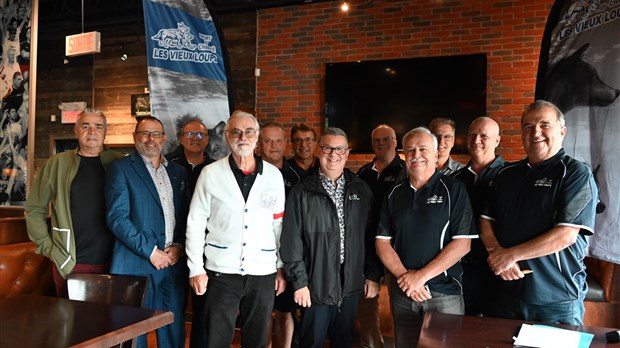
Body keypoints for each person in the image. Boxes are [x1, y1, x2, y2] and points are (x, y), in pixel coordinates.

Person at [480, 100, 598, 325]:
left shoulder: (576, 174)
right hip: (506, 294)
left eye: (545, 125)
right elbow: (486, 220)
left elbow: (566, 235)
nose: (536, 132)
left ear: (562, 131)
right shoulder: (506, 174)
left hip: (556, 299)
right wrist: (497, 254)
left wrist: (511, 255)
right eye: (528, 126)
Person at [185, 110, 286, 348]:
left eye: (249, 131)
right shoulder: (210, 173)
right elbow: (195, 222)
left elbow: (278, 225)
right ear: (227, 136)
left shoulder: (273, 176)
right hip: (220, 272)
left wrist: (280, 267)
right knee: (216, 339)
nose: (243, 136)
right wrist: (195, 269)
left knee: (257, 339)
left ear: (257, 136)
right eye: (236, 132)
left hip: (262, 272)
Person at [281, 127, 382, 348]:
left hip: (351, 285)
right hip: (315, 287)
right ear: (318, 151)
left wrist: (373, 275)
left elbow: (372, 236)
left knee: (345, 342)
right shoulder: (301, 191)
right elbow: (291, 241)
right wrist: (299, 283)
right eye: (327, 148)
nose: (333, 154)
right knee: (311, 343)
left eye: (339, 149)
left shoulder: (361, 189)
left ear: (347, 153)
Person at [376, 127, 474, 347]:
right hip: (402, 292)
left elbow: (463, 244)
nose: (416, 154)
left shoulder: (454, 189)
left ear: (436, 153)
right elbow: (382, 243)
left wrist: (420, 277)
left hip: (443, 292)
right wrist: (406, 278)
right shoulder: (393, 193)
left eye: (423, 149)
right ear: (403, 155)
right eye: (410, 150)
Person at [106, 116, 188, 348]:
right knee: (134, 335)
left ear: (164, 138)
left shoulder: (178, 172)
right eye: (145, 133)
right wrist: (151, 252)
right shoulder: (120, 169)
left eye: (156, 134)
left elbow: (185, 215)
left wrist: (179, 247)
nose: (151, 139)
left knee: (173, 331)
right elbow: (117, 218)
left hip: (173, 265)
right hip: (136, 264)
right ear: (135, 137)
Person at [25, 109, 123, 298]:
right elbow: (34, 208)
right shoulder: (57, 164)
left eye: (98, 126)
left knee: (110, 322)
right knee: (70, 323)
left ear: (105, 132)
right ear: (76, 131)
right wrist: (49, 248)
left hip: (114, 261)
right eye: (85, 126)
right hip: (69, 262)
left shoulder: (119, 163)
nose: (92, 132)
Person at [165, 116, 213, 348]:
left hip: (207, 250)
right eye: (190, 134)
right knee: (174, 307)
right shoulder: (168, 166)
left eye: (200, 135)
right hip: (173, 248)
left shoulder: (216, 169)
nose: (195, 139)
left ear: (208, 139)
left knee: (204, 311)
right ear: (181, 139)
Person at [355, 124, 405, 348]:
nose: (382, 144)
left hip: (398, 250)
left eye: (387, 139)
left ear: (396, 142)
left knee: (401, 309)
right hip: (367, 248)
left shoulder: (406, 170)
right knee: (366, 307)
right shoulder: (364, 173)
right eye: (377, 141)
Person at [451, 117, 504, 316]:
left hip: (497, 267)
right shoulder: (456, 180)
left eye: (484, 136)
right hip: (462, 267)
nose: (476, 140)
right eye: (472, 135)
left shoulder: (510, 176)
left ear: (497, 141)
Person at [257, 122, 300, 348]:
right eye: (268, 140)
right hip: (257, 257)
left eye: (278, 141)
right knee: (261, 313)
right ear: (260, 143)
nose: (274, 145)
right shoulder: (250, 171)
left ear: (285, 144)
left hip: (288, 254)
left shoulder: (296, 175)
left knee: (285, 311)